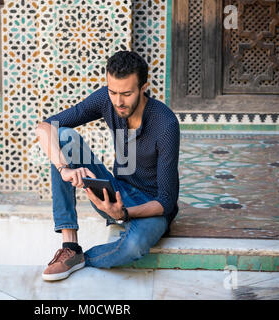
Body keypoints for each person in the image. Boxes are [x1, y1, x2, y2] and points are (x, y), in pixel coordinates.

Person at [35, 51, 180, 281]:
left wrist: (123, 213)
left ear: (143, 87)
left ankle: (82, 258)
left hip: (151, 206)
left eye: (126, 93)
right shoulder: (106, 99)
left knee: (133, 247)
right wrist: (65, 169)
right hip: (116, 191)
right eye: (113, 92)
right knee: (62, 137)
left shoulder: (166, 124)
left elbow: (166, 201)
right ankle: (70, 245)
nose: (118, 102)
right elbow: (45, 127)